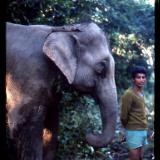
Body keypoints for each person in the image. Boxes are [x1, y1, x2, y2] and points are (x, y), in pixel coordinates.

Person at [120, 66, 148, 160]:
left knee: (140, 157)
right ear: (133, 79)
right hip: (134, 131)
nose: (141, 80)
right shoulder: (128, 94)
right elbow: (124, 116)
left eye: (143, 77)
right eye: (138, 77)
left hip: (143, 130)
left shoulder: (142, 93)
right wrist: (127, 130)